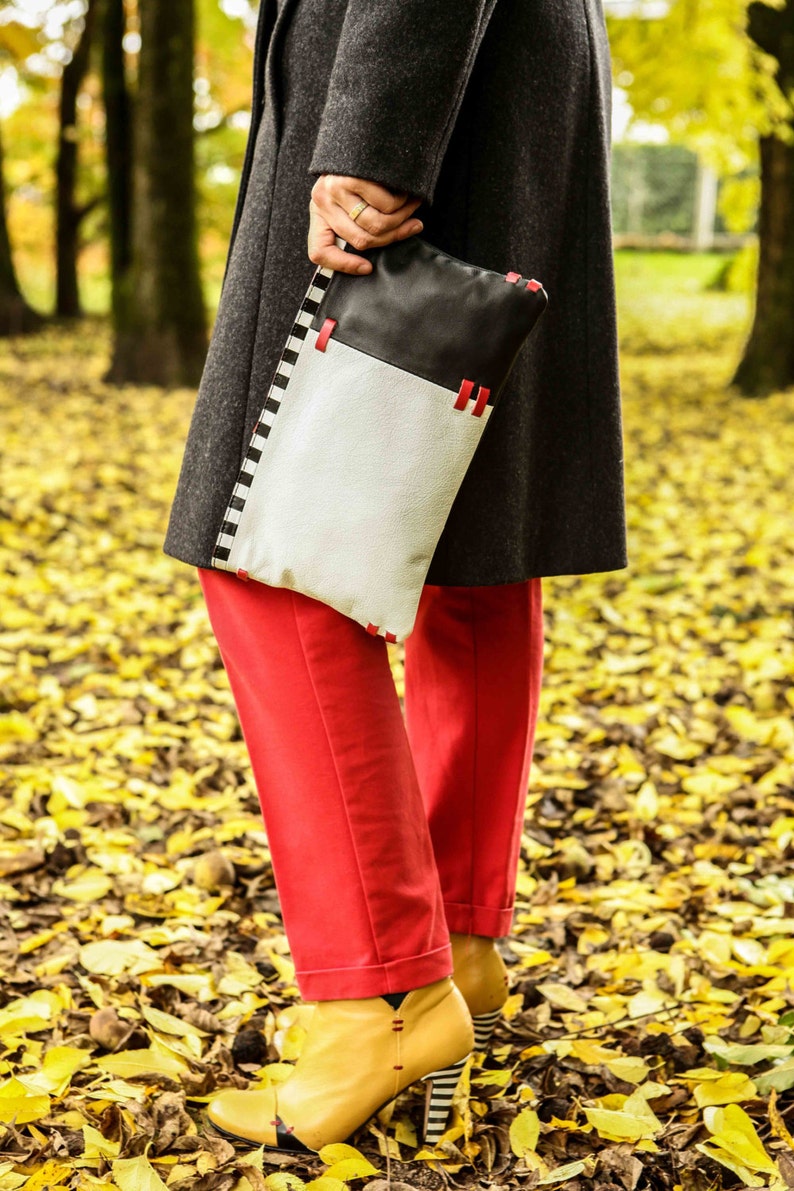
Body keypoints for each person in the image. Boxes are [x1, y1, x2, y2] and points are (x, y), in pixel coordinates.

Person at [163, 0, 627, 1155]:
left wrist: (374, 141)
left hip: (406, 78)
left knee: (276, 548)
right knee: (473, 545)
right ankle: (457, 946)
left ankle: (375, 996)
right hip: (505, 83)